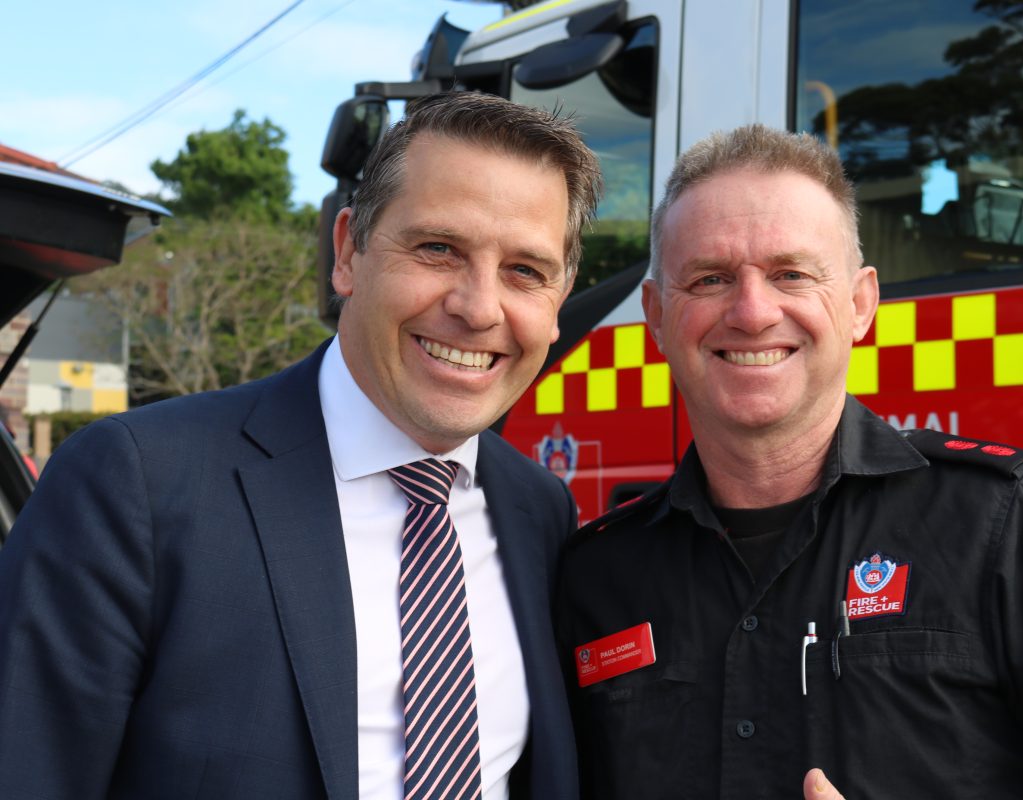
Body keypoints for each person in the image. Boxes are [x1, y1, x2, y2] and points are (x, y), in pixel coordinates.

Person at [555, 124, 1023, 799]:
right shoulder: (595, 576)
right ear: (656, 318)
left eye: (791, 274)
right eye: (710, 278)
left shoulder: (998, 520)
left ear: (861, 304)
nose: (750, 312)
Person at [0, 91, 601, 800]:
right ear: (347, 252)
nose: (478, 308)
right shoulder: (134, 484)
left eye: (525, 272)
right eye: (439, 248)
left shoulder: (539, 512)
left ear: (559, 301)